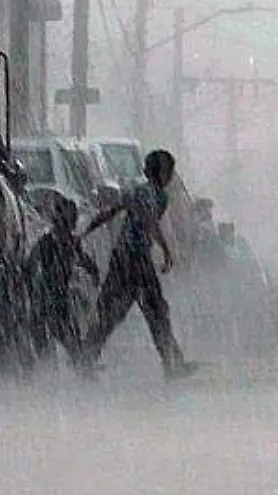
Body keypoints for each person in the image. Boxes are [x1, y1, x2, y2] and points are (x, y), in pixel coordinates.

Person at [77, 149, 196, 380]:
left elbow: (110, 212)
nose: (171, 175)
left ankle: (85, 358)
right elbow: (149, 221)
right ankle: (172, 362)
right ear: (162, 172)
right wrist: (166, 251)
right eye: (169, 170)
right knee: (155, 312)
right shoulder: (154, 194)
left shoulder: (140, 191)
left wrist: (86, 231)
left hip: (122, 258)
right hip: (137, 260)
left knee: (111, 312)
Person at [26, 194, 100, 365]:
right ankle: (71, 366)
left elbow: (83, 259)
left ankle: (78, 365)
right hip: (49, 299)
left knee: (66, 338)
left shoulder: (70, 242)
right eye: (69, 218)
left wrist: (93, 271)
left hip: (57, 299)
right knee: (58, 339)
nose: (71, 223)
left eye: (72, 218)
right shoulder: (48, 242)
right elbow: (30, 265)